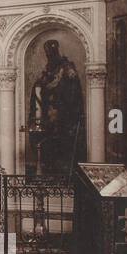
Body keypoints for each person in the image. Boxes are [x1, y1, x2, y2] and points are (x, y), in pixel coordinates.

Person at [27, 39, 84, 175]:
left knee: (62, 147)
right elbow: (42, 85)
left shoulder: (67, 66)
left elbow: (72, 89)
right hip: (48, 114)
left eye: (50, 52)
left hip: (64, 114)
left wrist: (60, 105)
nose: (48, 55)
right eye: (47, 53)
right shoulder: (48, 68)